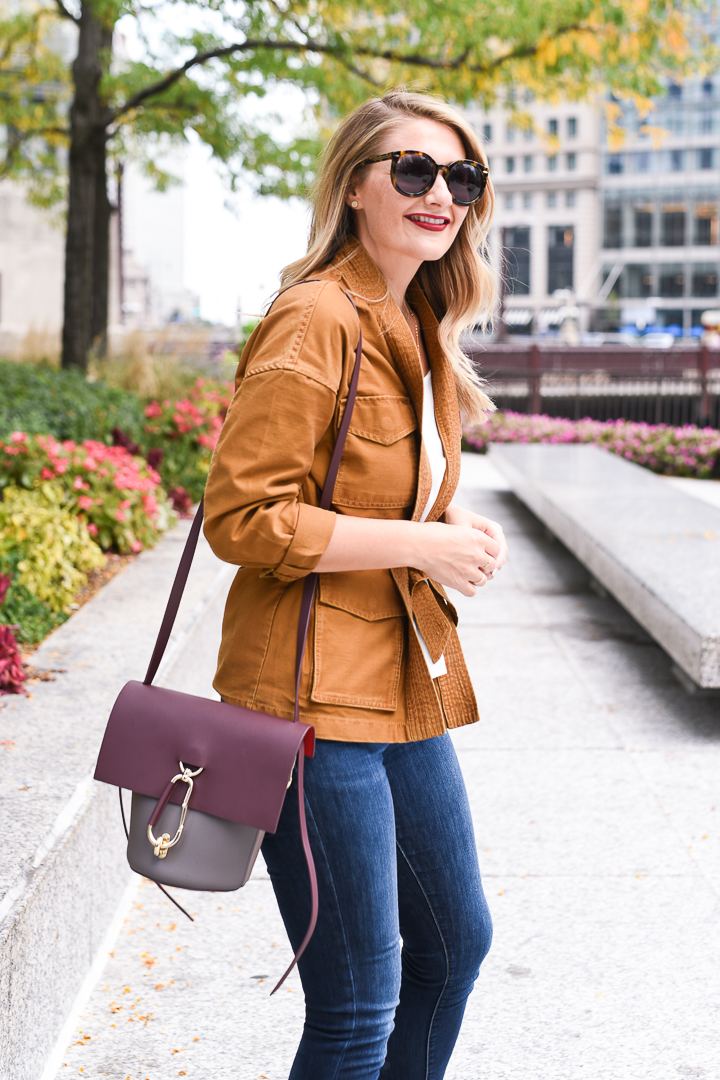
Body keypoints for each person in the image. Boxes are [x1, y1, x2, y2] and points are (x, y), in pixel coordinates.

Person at [203, 88, 508, 1080]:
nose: (440, 196)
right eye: (412, 172)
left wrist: (438, 522)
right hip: (308, 706)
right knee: (355, 1003)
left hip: (397, 689)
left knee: (456, 947)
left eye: (460, 177)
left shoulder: (415, 320)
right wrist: (414, 547)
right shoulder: (315, 318)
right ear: (355, 188)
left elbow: (368, 488)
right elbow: (242, 517)